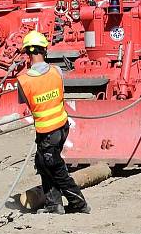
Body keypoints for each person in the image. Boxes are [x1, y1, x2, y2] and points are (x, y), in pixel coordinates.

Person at [17, 30, 90, 215]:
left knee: (57, 170)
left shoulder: (24, 80)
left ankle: (80, 204)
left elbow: (27, 103)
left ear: (28, 53)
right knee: (42, 163)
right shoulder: (56, 71)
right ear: (44, 51)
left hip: (47, 132)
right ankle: (53, 204)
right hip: (62, 127)